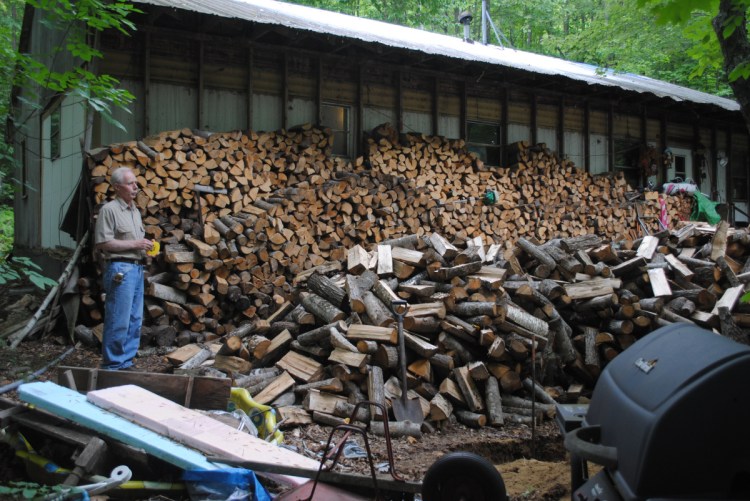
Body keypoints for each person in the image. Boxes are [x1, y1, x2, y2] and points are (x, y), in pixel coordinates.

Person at [94, 167, 153, 370]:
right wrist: (136, 244)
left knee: (134, 319)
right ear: (118, 187)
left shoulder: (135, 210)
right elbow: (104, 243)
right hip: (120, 269)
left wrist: (145, 246)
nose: (135, 186)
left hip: (136, 269)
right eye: (130, 183)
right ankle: (112, 365)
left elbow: (133, 241)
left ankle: (126, 363)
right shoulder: (109, 210)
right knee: (118, 318)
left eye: (135, 182)